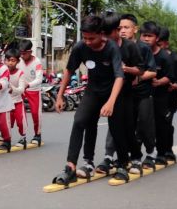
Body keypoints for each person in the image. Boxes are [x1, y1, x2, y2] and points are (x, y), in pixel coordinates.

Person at [52, 16, 124, 186]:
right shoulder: (80, 47)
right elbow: (69, 71)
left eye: (92, 38)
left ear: (101, 34)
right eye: (85, 38)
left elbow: (119, 76)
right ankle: (72, 166)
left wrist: (111, 102)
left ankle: (123, 163)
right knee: (80, 122)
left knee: (116, 126)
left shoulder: (112, 48)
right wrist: (60, 95)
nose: (88, 42)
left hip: (111, 91)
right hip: (92, 90)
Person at [94, 12, 144, 175]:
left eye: (124, 27)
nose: (105, 37)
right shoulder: (102, 46)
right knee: (115, 128)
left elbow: (140, 70)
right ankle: (117, 160)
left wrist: (125, 69)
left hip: (126, 92)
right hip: (108, 92)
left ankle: (136, 157)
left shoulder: (130, 46)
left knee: (128, 127)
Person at [119, 14, 158, 168]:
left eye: (126, 27)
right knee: (127, 125)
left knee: (144, 123)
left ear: (134, 29)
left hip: (143, 94)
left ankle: (150, 152)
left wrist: (138, 78)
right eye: (119, 28)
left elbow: (153, 71)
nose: (122, 31)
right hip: (125, 93)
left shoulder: (143, 48)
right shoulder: (116, 47)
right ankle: (130, 155)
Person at [140, 21, 174, 165]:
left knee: (161, 126)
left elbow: (170, 76)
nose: (146, 39)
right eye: (144, 36)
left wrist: (159, 82)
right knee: (143, 126)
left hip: (161, 97)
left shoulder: (165, 57)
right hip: (143, 96)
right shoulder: (138, 52)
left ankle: (162, 153)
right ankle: (142, 154)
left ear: (157, 39)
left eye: (150, 36)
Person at [158, 27, 177, 161]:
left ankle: (167, 150)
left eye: (160, 44)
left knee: (166, 124)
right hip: (155, 96)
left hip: (170, 97)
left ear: (166, 43)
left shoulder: (176, 58)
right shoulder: (152, 57)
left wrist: (176, 84)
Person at [18, 39, 43, 145]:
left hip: (33, 90)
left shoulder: (37, 62)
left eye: (24, 53)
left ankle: (37, 135)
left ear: (30, 52)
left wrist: (29, 85)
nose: (22, 56)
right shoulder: (18, 61)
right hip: (20, 90)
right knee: (17, 113)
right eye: (21, 53)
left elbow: (39, 79)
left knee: (35, 114)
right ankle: (22, 136)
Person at [5, 48, 28, 148]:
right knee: (5, 122)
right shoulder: (3, 71)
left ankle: (23, 137)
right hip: (6, 103)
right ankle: (5, 137)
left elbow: (21, 90)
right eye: (8, 60)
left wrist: (12, 89)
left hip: (17, 102)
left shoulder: (20, 74)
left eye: (13, 60)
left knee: (20, 121)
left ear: (18, 61)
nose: (10, 63)